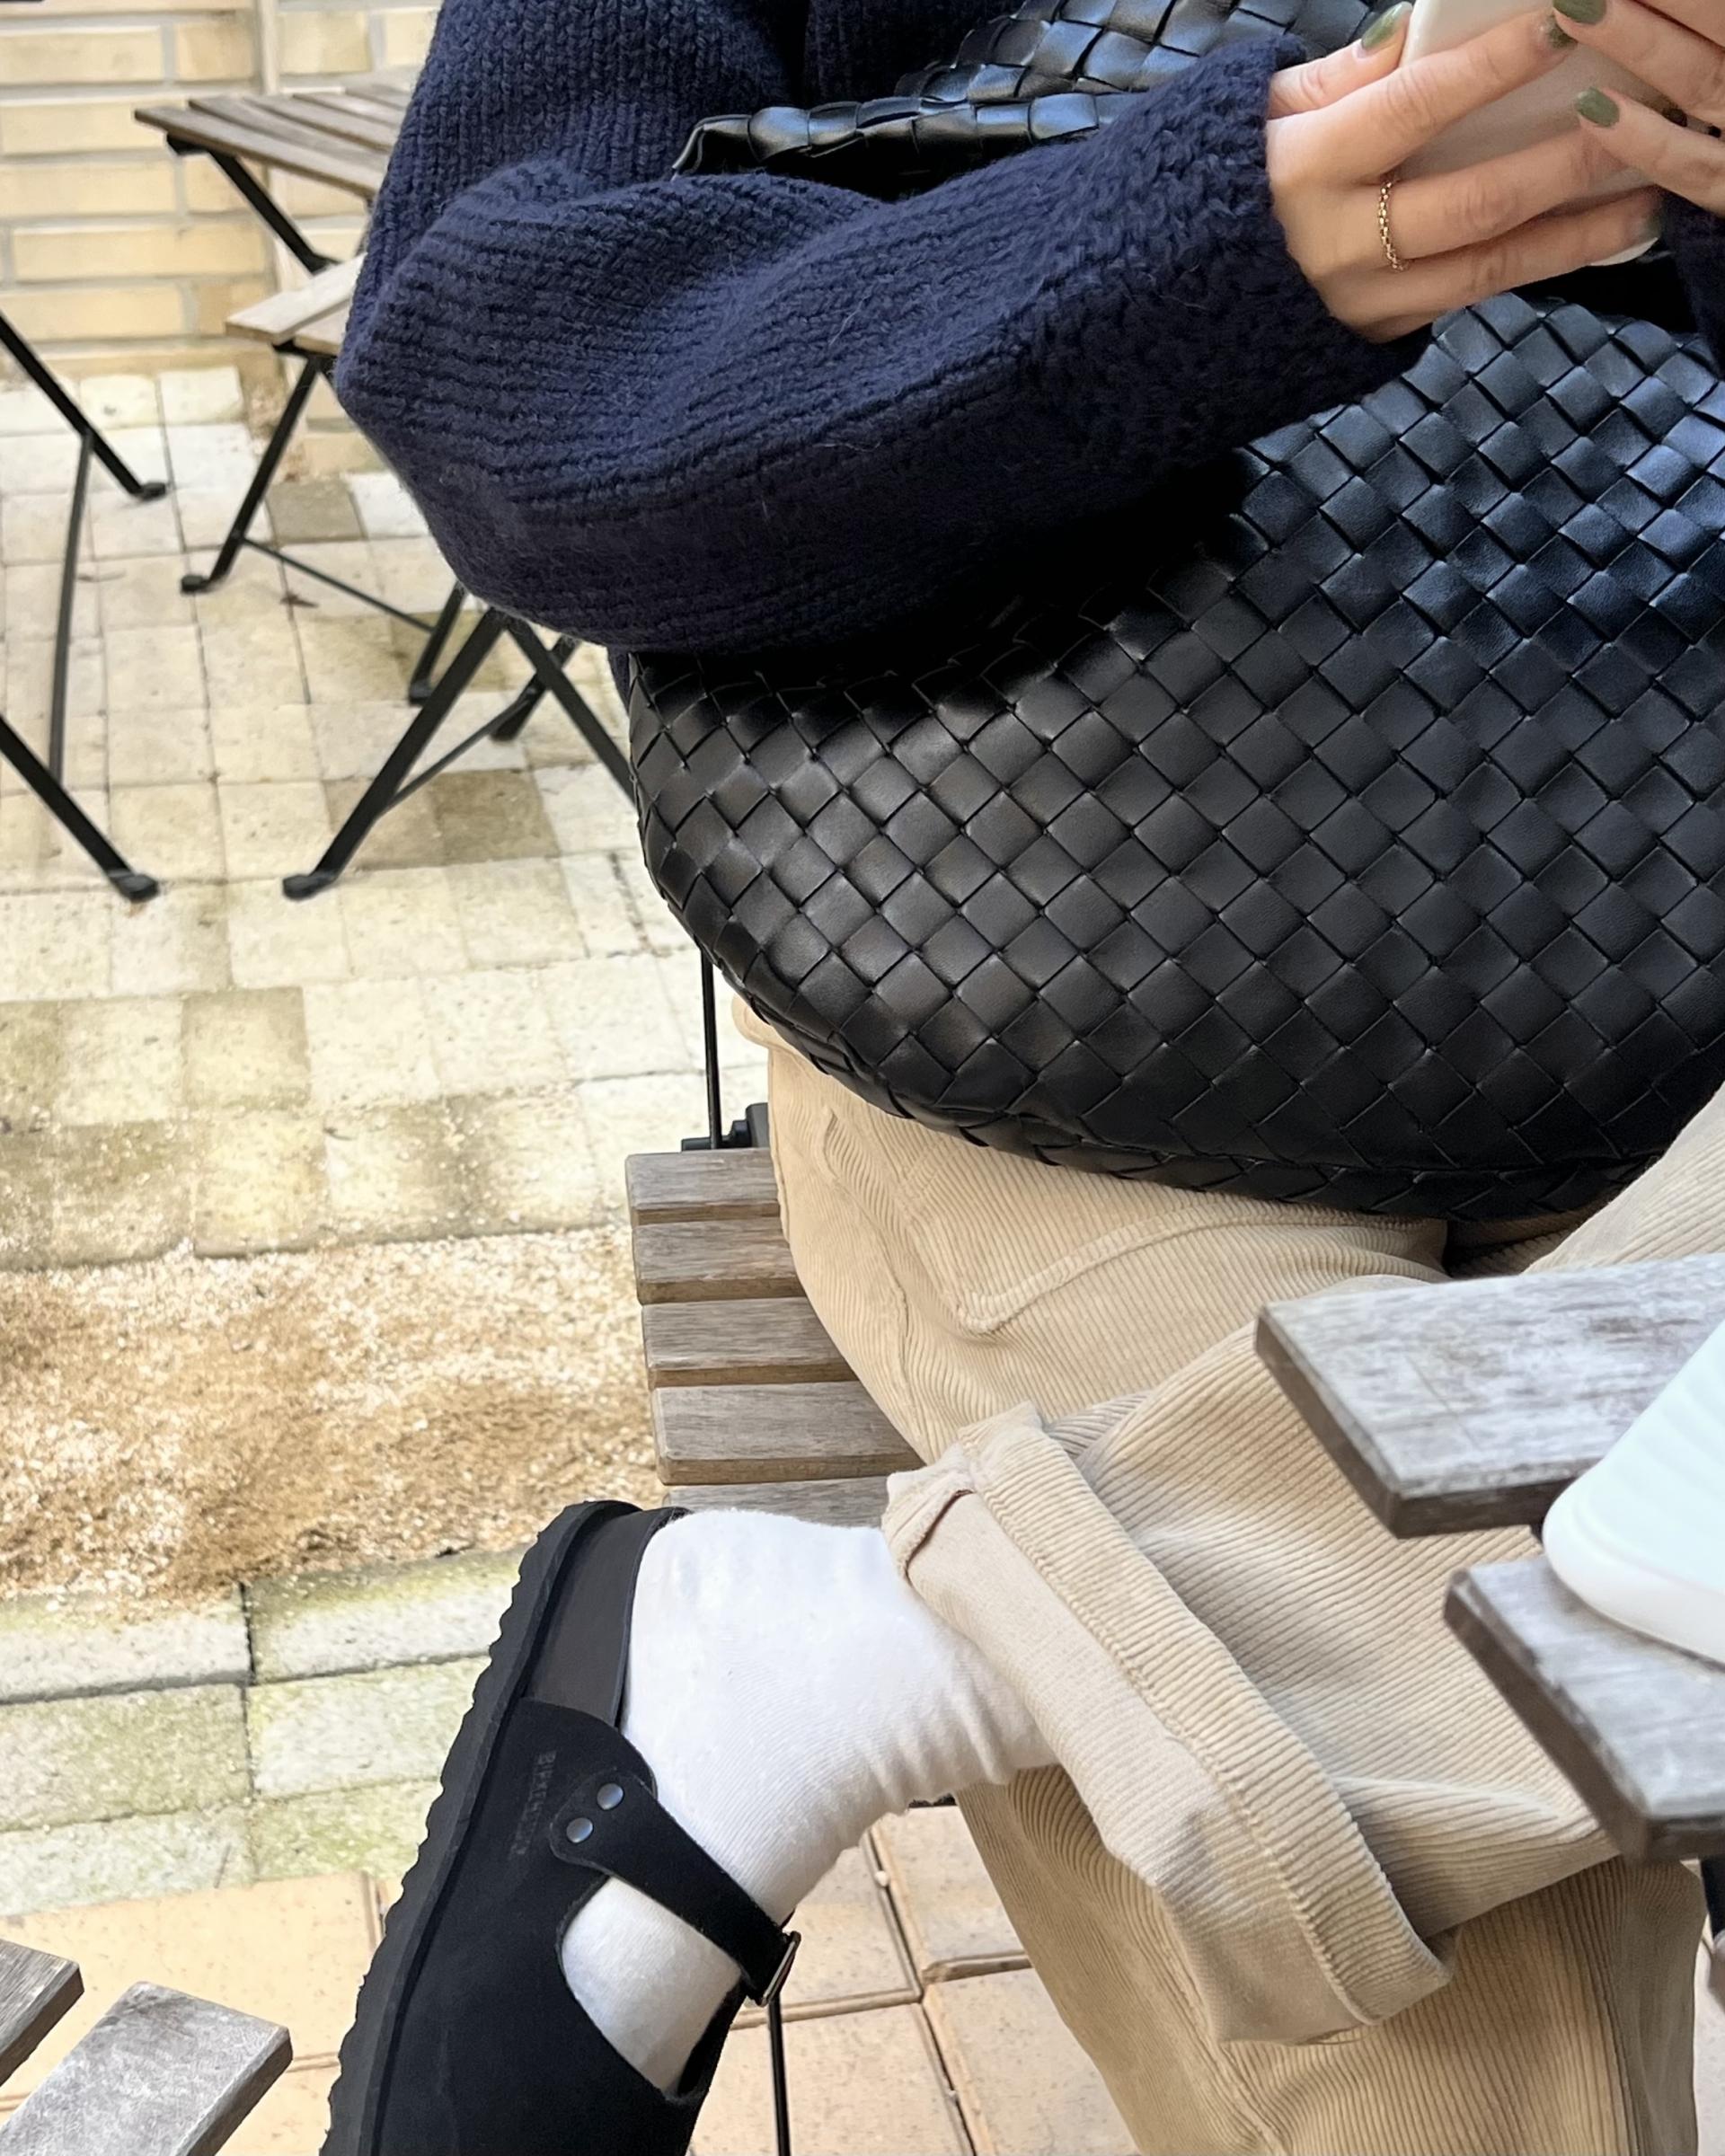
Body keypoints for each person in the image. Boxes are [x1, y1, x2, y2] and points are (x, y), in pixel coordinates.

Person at [328, 0, 1725, 2149]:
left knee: (1262, 1763)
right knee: (1451, 2015)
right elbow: (509, 384)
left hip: (1678, 1004)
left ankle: (887, 1655)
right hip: (1055, 1009)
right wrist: (1191, 253)